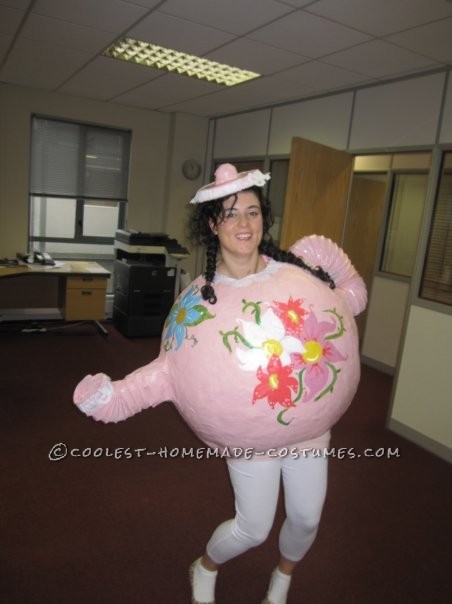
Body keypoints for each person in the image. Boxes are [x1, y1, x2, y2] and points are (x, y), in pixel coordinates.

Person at [73, 163, 366, 604]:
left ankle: (282, 578)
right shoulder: (198, 302)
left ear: (263, 218)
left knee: (306, 519)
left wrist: (344, 283)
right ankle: (205, 565)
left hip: (311, 428)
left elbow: (350, 291)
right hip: (247, 437)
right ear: (213, 224)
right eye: (231, 214)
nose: (244, 223)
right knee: (253, 527)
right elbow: (167, 374)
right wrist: (110, 398)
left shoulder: (299, 271)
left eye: (252, 211)